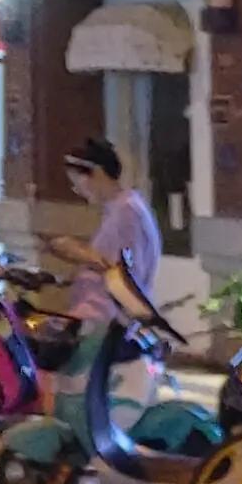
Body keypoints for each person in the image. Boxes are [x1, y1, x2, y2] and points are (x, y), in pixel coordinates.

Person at [57, 131, 165, 333]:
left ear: (97, 173)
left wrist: (79, 253)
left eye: (76, 181)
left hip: (109, 324)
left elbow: (125, 276)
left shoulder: (128, 213)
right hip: (101, 319)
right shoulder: (118, 209)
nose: (77, 190)